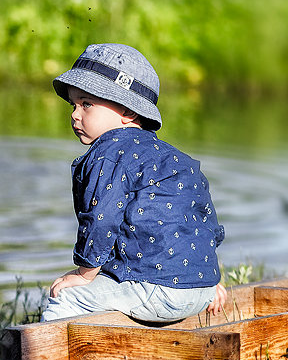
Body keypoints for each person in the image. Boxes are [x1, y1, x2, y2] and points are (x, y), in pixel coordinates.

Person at [42, 42, 228, 322]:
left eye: (87, 104)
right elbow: (205, 223)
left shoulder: (108, 155)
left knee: (64, 297)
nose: (74, 114)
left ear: (128, 112)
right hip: (202, 290)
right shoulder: (176, 160)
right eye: (74, 104)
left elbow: (101, 220)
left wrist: (83, 273)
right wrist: (209, 279)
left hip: (156, 289)